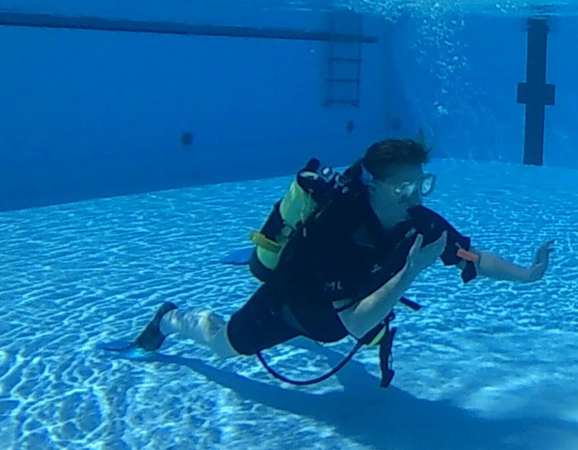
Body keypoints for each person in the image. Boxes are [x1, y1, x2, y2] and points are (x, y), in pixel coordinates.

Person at [121, 138, 555, 387]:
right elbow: (353, 324)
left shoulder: (418, 222)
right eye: (404, 187)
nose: (416, 197)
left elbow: (470, 257)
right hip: (292, 306)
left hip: (345, 313)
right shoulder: (338, 230)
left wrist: (526, 275)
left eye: (422, 184)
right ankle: (169, 319)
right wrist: (410, 271)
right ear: (373, 184)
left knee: (351, 326)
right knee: (221, 344)